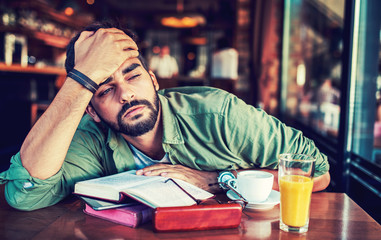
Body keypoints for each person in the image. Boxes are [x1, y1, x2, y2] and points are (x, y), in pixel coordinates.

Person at [0, 22, 330, 211]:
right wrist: (82, 79)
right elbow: (26, 194)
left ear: (154, 80)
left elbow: (317, 170)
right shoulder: (90, 137)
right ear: (91, 110)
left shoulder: (219, 114)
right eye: (103, 90)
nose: (126, 93)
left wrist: (218, 178)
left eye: (133, 75)